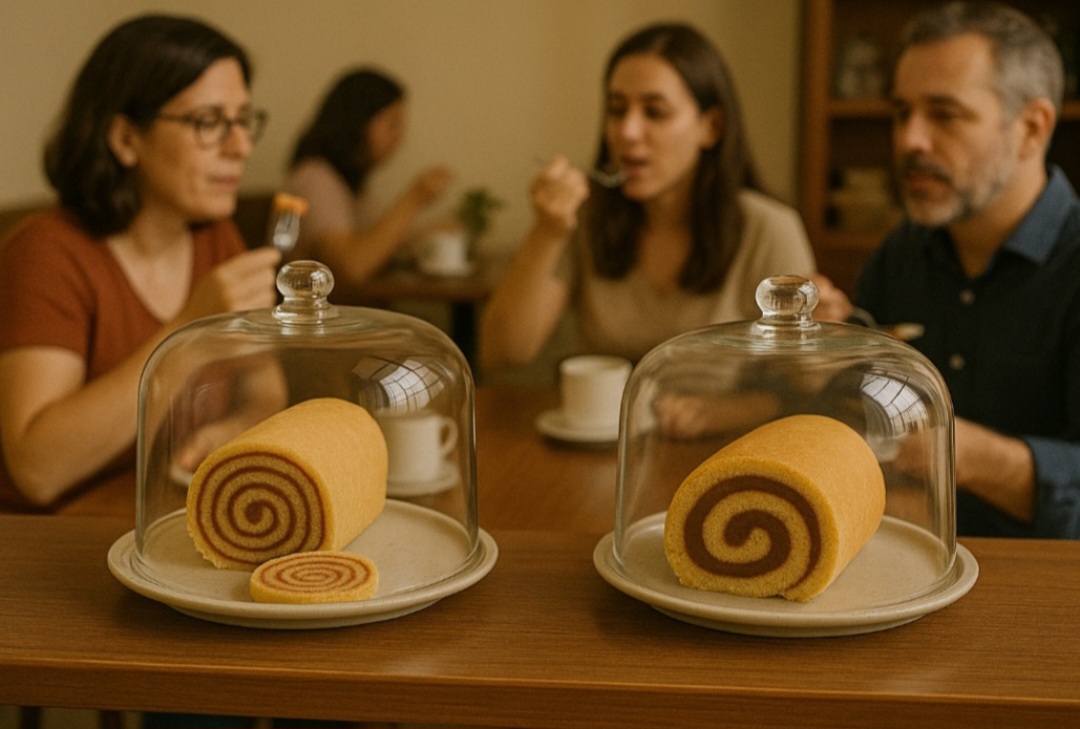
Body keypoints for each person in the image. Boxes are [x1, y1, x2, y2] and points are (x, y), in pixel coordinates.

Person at [812, 1, 1080, 539]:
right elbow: (857, 425)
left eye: (944, 114)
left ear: (1032, 128)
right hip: (901, 555)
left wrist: (954, 449)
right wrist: (834, 347)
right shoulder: (900, 254)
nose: (909, 140)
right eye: (901, 112)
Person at [0, 14, 282, 516]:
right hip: (43, 552)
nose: (241, 146)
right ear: (126, 139)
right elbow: (37, 470)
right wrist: (187, 332)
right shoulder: (47, 252)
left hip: (154, 520)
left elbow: (265, 388)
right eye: (209, 122)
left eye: (243, 120)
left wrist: (227, 431)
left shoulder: (216, 238)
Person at [479, 22, 815, 370]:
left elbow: (801, 382)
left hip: (738, 428)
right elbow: (501, 353)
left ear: (711, 127)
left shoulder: (770, 229)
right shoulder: (585, 219)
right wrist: (546, 232)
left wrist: (719, 413)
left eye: (655, 112)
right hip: (607, 425)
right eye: (617, 109)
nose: (627, 131)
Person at [283, 67, 453, 291]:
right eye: (392, 124)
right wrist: (414, 198)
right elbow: (353, 267)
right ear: (358, 121)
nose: (399, 137)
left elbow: (374, 243)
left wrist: (425, 235)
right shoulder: (315, 178)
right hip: (317, 322)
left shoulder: (350, 182)